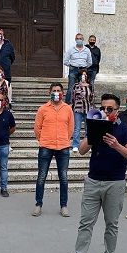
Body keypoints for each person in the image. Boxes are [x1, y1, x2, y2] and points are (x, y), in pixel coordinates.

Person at [57, 93, 127, 253]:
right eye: (103, 108)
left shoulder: (125, 130)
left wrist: (116, 145)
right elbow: (82, 151)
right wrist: (93, 134)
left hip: (115, 183)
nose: (105, 111)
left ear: (117, 110)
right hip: (93, 181)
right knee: (85, 222)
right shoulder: (96, 125)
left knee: (112, 223)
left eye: (110, 109)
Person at [33, 82, 74, 217]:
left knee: (63, 177)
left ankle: (64, 205)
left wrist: (65, 139)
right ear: (49, 92)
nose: (56, 92)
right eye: (54, 90)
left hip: (62, 146)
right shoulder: (43, 109)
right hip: (46, 145)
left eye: (58, 90)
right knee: (41, 176)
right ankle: (38, 204)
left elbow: (70, 128)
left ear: (62, 93)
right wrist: (43, 139)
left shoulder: (68, 109)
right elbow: (37, 128)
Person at [63, 33, 92, 103]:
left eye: (80, 39)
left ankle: (84, 102)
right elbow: (65, 61)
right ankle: (67, 104)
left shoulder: (87, 50)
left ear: (83, 40)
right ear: (75, 40)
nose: (79, 40)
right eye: (77, 39)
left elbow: (90, 62)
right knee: (71, 88)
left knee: (84, 86)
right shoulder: (71, 50)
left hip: (83, 70)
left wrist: (84, 67)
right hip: (73, 69)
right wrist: (72, 65)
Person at [70, 69, 94, 152]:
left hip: (88, 109)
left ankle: (87, 145)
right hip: (78, 108)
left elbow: (92, 98)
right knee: (77, 128)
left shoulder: (90, 86)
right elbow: (72, 97)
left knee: (88, 128)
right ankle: (75, 145)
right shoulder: (76, 86)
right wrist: (74, 105)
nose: (83, 76)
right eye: (82, 74)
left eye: (85, 74)